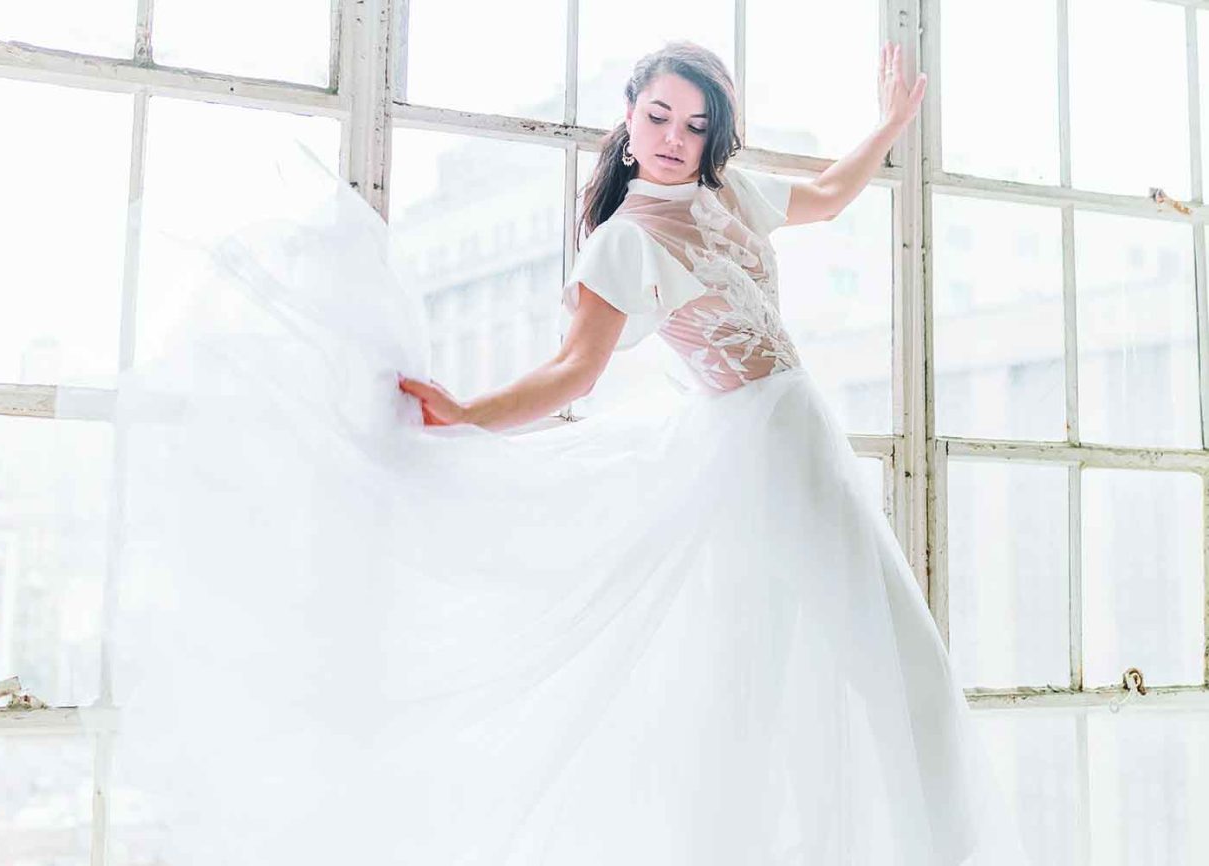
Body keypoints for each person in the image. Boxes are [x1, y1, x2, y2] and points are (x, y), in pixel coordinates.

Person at [73, 39, 1031, 866]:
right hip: (758, 459)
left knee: (876, 659)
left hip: (799, 439)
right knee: (801, 678)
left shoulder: (725, 192)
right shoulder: (622, 242)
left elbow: (824, 194)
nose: (672, 137)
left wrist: (890, 121)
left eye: (694, 126)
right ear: (628, 114)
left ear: (712, 138)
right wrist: (466, 414)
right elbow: (574, 372)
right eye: (658, 115)